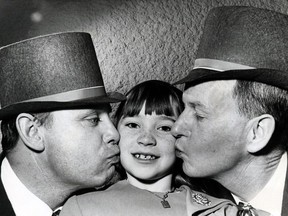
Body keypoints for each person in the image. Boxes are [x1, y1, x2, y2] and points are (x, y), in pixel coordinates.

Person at [59, 80, 264, 216]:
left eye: (164, 127)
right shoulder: (83, 208)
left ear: (181, 137)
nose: (146, 139)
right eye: (132, 125)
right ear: (115, 132)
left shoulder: (218, 206)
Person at [171, 6, 288, 216]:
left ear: (257, 133)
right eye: (183, 108)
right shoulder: (183, 199)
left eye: (199, 115)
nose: (176, 127)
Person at [0, 32, 126, 216]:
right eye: (93, 120)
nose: (114, 134)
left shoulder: (119, 202)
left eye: (108, 116)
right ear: (32, 132)